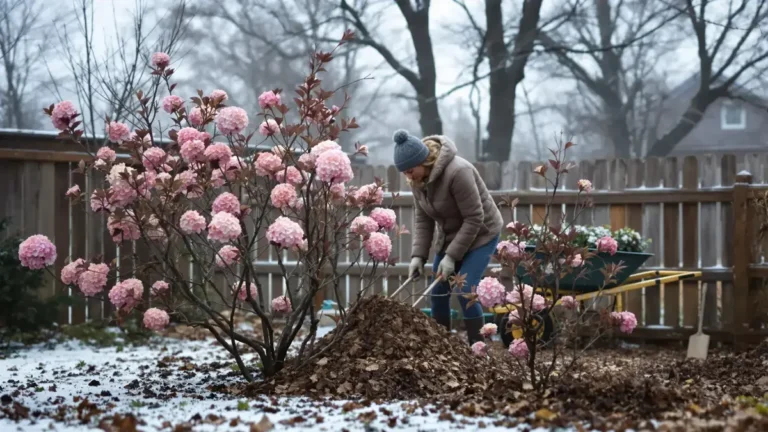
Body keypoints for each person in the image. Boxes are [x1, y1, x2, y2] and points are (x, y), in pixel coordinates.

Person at [392, 129, 503, 345]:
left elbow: (474, 218)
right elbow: (423, 219)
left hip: (481, 233)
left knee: (464, 289)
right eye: (404, 172)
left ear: (423, 160)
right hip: (451, 234)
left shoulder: (457, 172)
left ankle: (479, 348)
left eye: (410, 170)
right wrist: (418, 256)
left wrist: (451, 257)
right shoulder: (418, 181)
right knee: (438, 288)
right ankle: (441, 347)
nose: (408, 176)